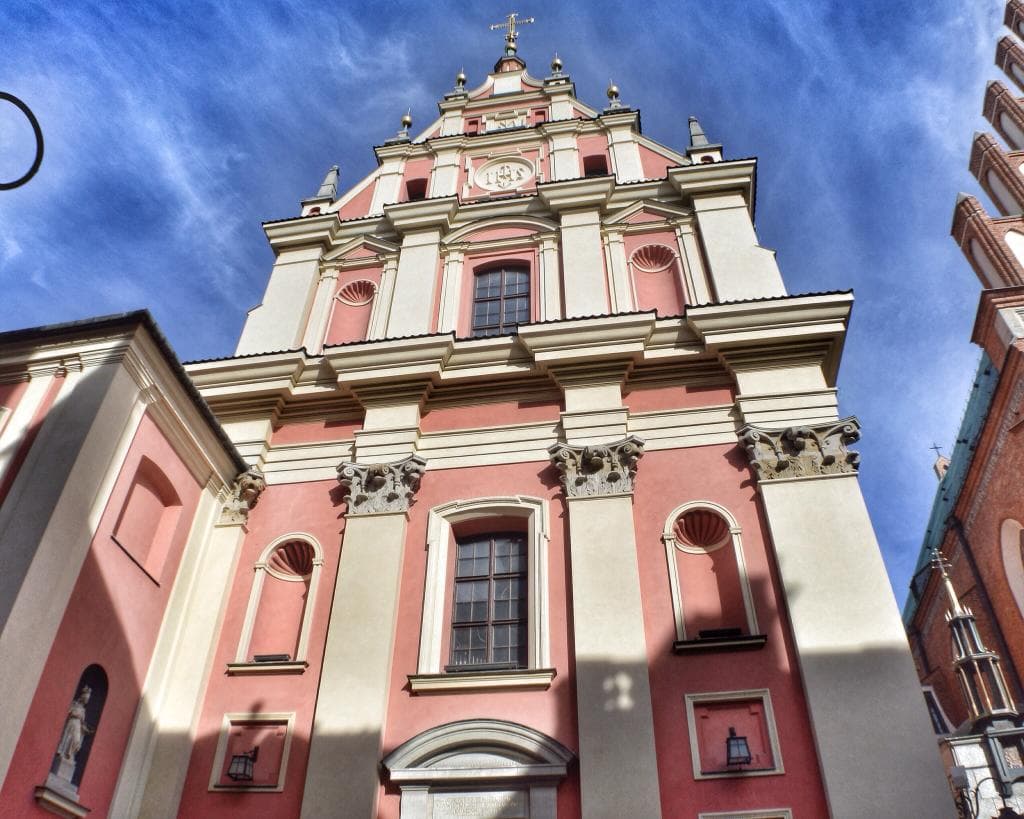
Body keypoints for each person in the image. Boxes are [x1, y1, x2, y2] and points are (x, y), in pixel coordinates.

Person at [56, 686, 92, 763]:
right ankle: (64, 753)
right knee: (68, 737)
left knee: (77, 741)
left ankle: (69, 755)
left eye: (88, 699)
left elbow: (82, 721)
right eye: (86, 698)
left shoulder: (83, 709)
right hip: (72, 722)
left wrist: (86, 729)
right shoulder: (74, 704)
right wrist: (76, 714)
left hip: (78, 725)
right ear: (83, 697)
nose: (87, 700)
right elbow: (69, 712)